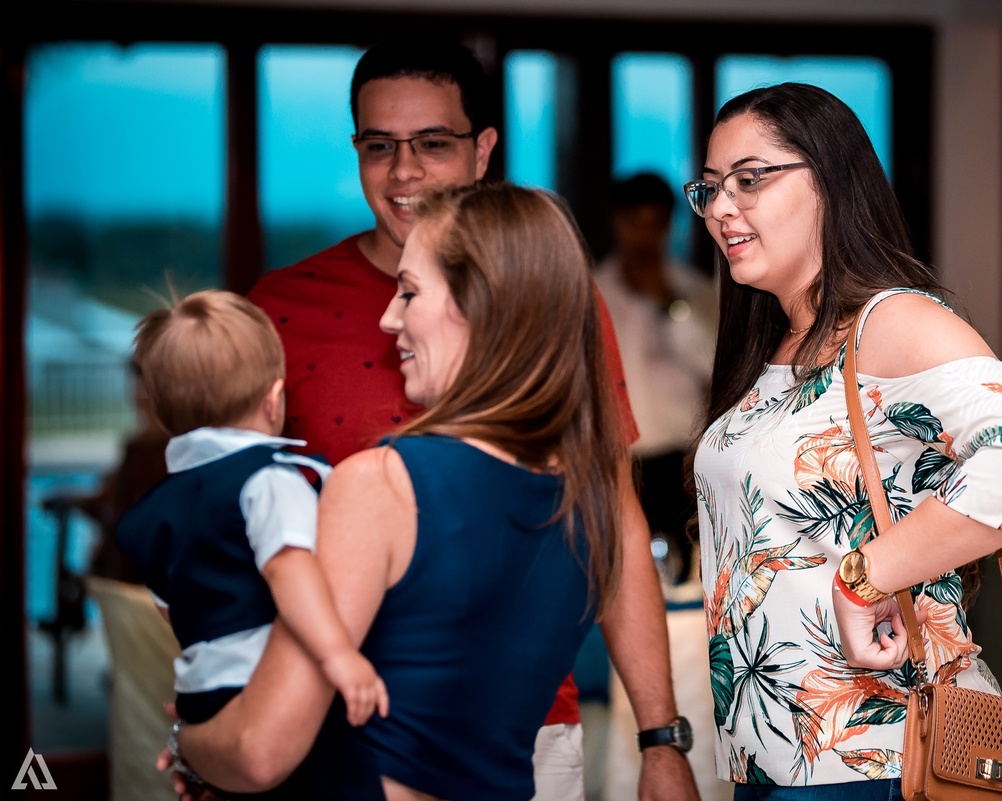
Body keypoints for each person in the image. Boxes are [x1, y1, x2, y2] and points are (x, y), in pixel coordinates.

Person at [246, 40, 698, 800]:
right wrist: (236, 712)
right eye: (379, 146)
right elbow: (247, 521)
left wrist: (660, 736)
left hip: (524, 726)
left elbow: (611, 512)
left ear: (484, 150)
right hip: (330, 718)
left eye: (433, 143)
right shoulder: (281, 307)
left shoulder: (556, 305)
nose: (404, 172)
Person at [169, 184, 646, 800]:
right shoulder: (588, 499)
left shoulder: (386, 484)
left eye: (410, 292)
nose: (388, 316)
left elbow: (263, 750)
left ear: (482, 304)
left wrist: (191, 741)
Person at [686, 83, 1002, 798]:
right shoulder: (774, 342)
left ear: (830, 180)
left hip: (879, 752)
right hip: (770, 754)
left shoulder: (888, 320)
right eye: (709, 188)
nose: (719, 208)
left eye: (749, 179)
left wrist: (864, 575)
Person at [117, 290, 388, 800]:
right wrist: (337, 656)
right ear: (274, 398)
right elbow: (290, 570)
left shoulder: (148, 515)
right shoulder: (268, 481)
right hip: (269, 691)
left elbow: (170, 611)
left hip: (202, 700)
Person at [594, 172, 716, 585]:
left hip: (679, 458)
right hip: (613, 457)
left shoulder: (694, 291)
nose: (644, 237)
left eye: (655, 224)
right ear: (616, 222)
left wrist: (668, 301)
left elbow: (717, 364)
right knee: (620, 576)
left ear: (670, 225)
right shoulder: (591, 292)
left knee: (688, 577)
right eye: (635, 223)